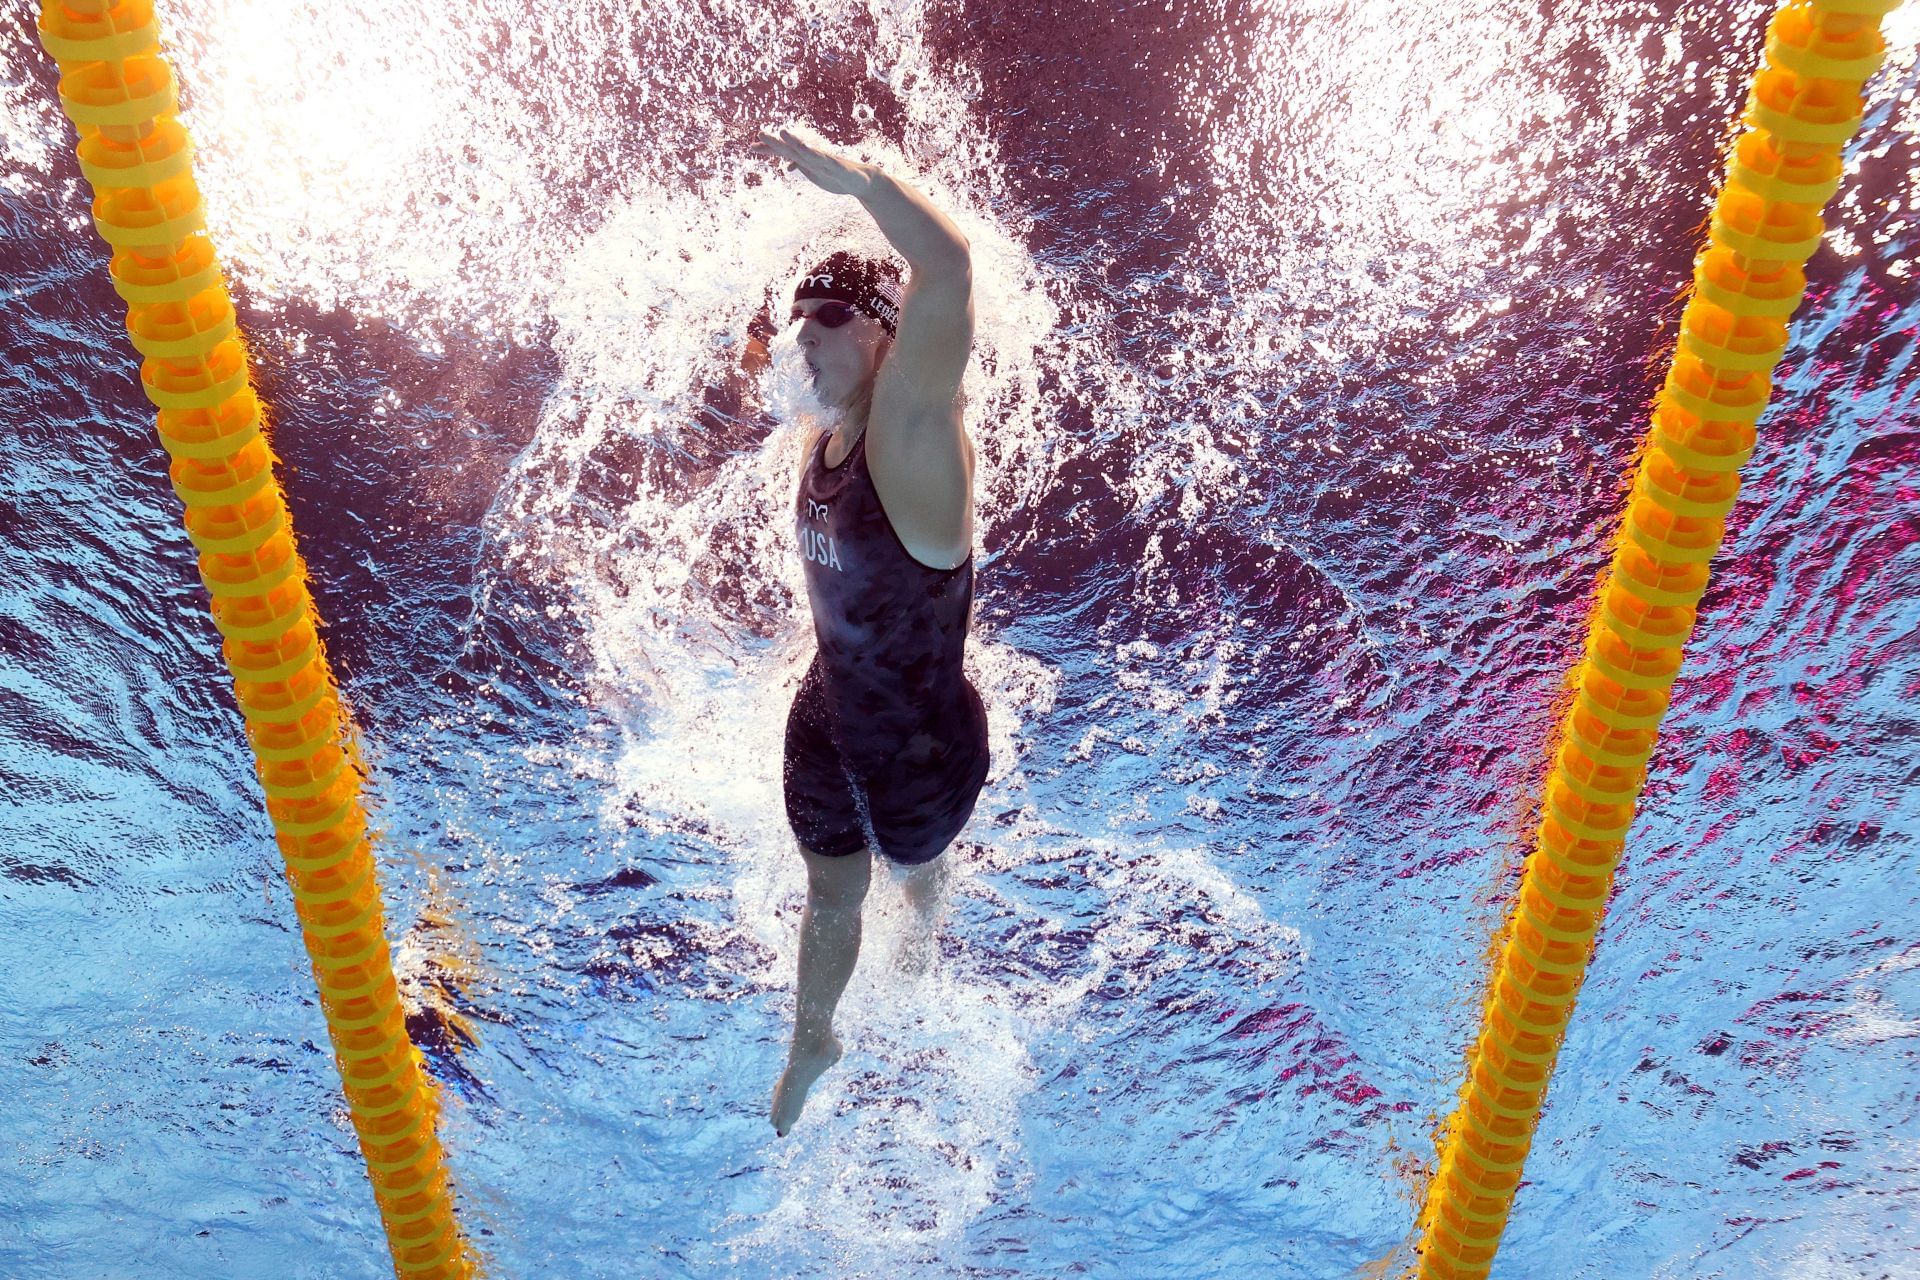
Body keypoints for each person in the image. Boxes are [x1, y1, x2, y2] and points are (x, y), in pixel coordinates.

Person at [748, 127, 988, 1138]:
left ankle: (929, 914)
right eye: (801, 316)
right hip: (829, 710)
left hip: (922, 749)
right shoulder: (830, 425)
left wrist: (854, 183)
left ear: (890, 331)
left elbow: (950, 266)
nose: (807, 333)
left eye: (833, 315)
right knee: (829, 892)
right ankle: (816, 1035)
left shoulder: (911, 434)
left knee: (916, 869)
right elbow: (767, 346)